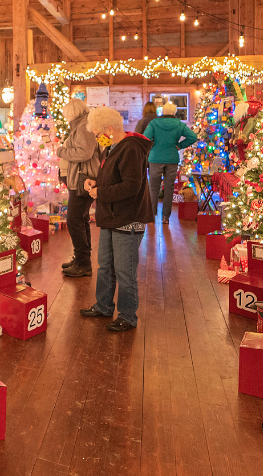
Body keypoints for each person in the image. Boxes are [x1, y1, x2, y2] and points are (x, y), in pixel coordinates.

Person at [79, 106, 154, 331]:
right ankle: (103, 305)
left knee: (124, 271)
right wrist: (96, 182)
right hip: (112, 216)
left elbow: (131, 186)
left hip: (127, 218)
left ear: (109, 129)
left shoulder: (130, 149)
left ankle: (128, 316)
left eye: (97, 134)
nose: (97, 139)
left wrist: (100, 192)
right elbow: (115, 178)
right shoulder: (112, 147)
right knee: (105, 266)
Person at [55, 98, 99, 277]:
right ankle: (82, 259)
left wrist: (61, 151)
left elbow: (84, 152)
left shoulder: (83, 127)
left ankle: (83, 262)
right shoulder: (82, 125)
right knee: (80, 219)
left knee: (74, 220)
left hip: (83, 180)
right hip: (80, 179)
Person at [143, 102, 197, 224]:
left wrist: (153, 146)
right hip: (172, 158)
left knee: (153, 187)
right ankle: (165, 217)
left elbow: (145, 138)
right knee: (169, 188)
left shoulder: (154, 123)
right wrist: (179, 146)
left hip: (155, 158)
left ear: (162, 112)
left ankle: (151, 216)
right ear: (174, 112)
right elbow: (193, 137)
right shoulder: (179, 124)